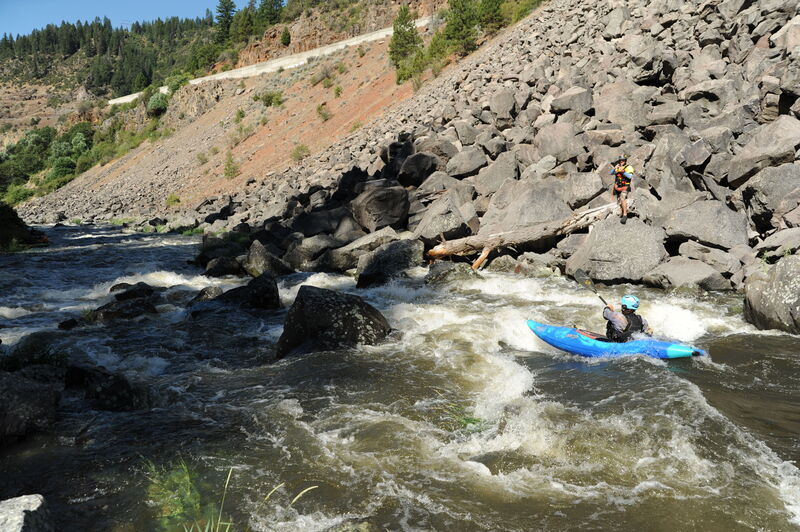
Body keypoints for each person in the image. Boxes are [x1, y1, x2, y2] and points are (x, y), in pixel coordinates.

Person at [610, 155, 634, 224]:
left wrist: (623, 172)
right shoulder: (618, 167)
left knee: (622, 198)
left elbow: (630, 176)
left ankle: (625, 215)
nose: (621, 161)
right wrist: (615, 168)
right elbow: (611, 173)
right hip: (618, 188)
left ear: (625, 161)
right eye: (620, 160)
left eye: (623, 160)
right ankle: (621, 213)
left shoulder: (629, 167)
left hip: (625, 187)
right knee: (619, 202)